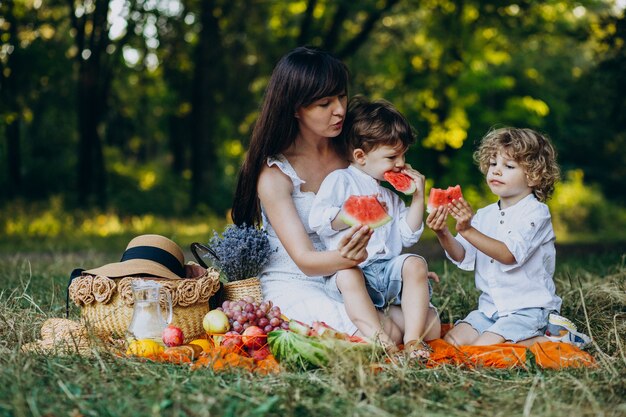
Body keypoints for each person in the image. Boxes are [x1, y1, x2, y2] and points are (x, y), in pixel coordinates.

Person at [231, 46, 406, 344]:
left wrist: (396, 267)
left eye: (341, 96)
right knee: (376, 334)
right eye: (325, 103)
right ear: (296, 108)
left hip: (354, 274)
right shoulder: (274, 174)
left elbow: (386, 210)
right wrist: (348, 256)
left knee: (414, 323)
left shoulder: (353, 154)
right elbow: (305, 260)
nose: (339, 109)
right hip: (300, 279)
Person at [426, 127, 590, 347]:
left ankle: (556, 339)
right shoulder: (484, 215)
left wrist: (467, 230)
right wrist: (442, 232)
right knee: (452, 341)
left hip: (528, 309)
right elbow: (461, 255)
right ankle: (519, 337)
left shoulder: (536, 213)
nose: (496, 171)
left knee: (484, 348)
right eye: (493, 164)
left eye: (508, 166)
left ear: (533, 176)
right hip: (489, 309)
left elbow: (508, 254)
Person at [308, 97, 440, 357]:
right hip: (353, 271)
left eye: (403, 155)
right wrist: (348, 214)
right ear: (360, 156)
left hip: (386, 272)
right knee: (348, 275)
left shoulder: (390, 196)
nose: (401, 163)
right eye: (392, 156)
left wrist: (417, 198)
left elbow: (408, 234)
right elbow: (318, 221)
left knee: (415, 263)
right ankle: (382, 340)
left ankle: (413, 340)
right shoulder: (340, 180)